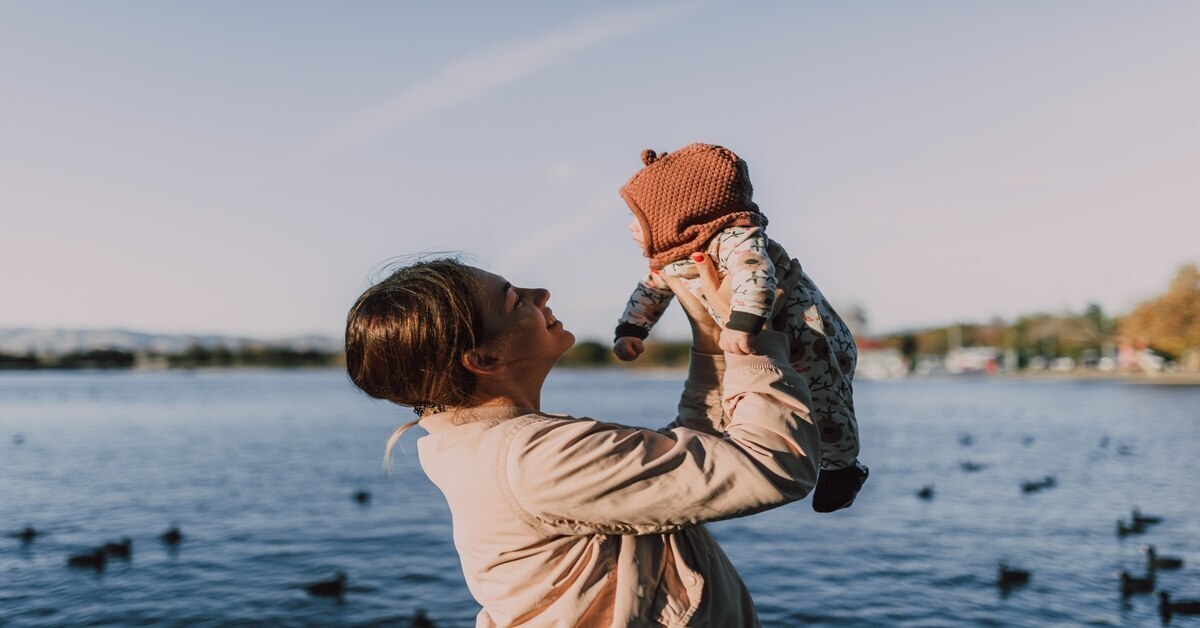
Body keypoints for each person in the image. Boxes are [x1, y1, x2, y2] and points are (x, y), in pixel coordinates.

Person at [345, 255, 821, 626]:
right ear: (483, 360)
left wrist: (713, 331)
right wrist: (752, 342)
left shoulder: (493, 448)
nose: (540, 292)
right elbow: (775, 464)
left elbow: (697, 452)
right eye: (515, 300)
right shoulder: (532, 457)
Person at [613, 142, 868, 512]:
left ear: (681, 213)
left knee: (826, 401)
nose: (631, 227)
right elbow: (650, 290)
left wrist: (743, 321)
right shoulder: (668, 257)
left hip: (810, 336)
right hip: (751, 344)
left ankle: (842, 467)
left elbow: (755, 272)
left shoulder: (732, 237)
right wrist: (632, 329)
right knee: (750, 401)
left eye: (640, 216)